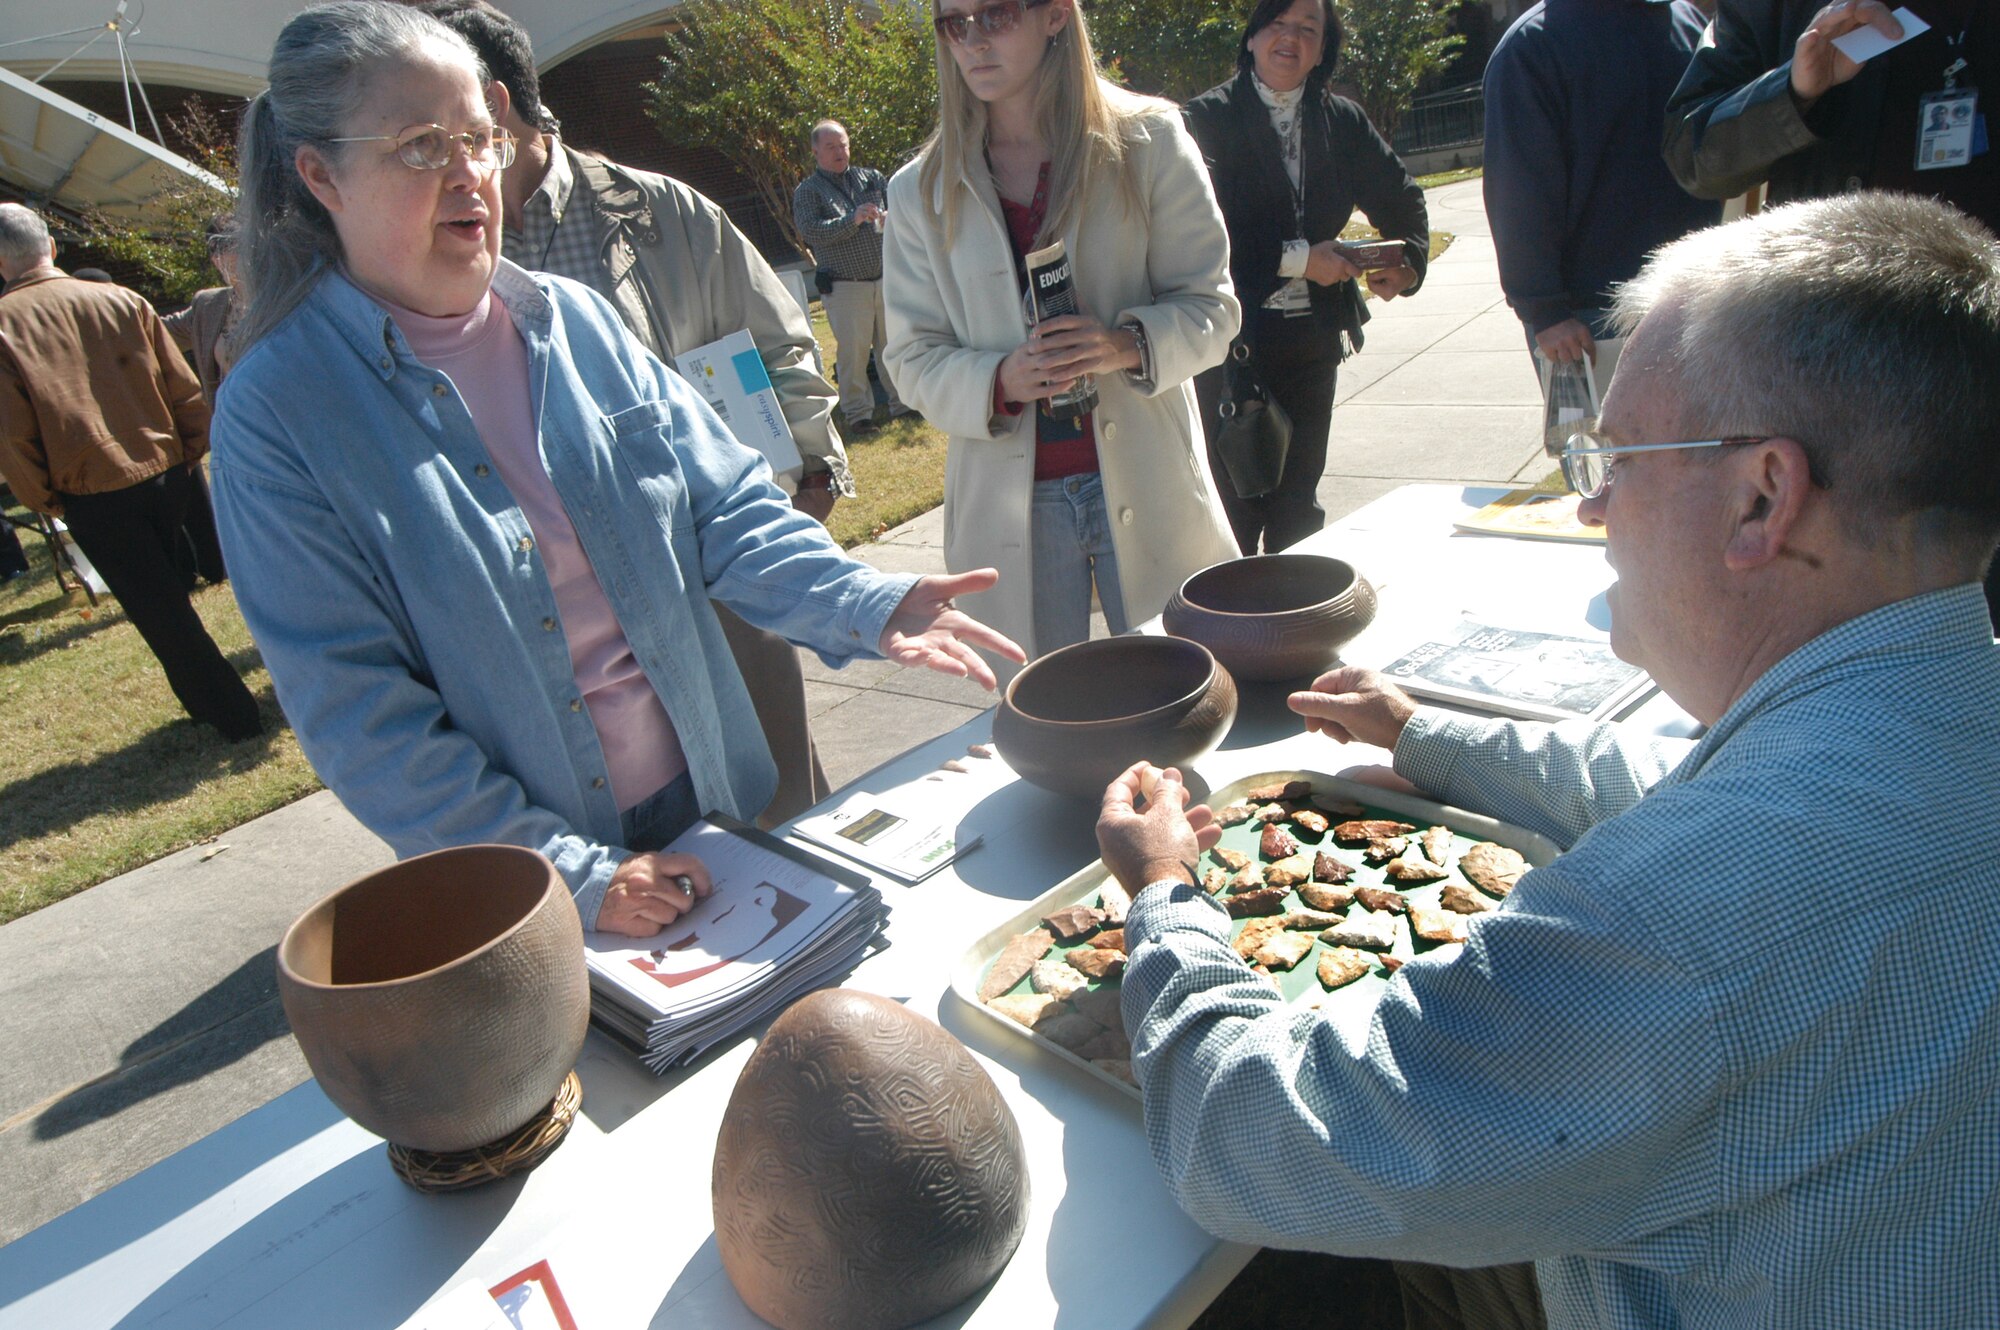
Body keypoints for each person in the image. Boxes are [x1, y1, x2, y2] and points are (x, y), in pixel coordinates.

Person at [1097, 193, 2000, 1327]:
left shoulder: (1673, 928)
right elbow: (1685, 785)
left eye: (1616, 454)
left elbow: (1250, 1147)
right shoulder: (1931, 702)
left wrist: (1166, 900)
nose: (1588, 500)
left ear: (1762, 496)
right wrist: (1424, 733)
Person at [209, 2, 1022, 938]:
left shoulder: (573, 320)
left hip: (717, 797)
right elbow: (363, 717)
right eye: (421, 146)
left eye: (478, 137)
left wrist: (862, 601)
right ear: (320, 176)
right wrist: (574, 876)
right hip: (536, 879)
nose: (471, 174)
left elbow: (725, 509)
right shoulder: (279, 414)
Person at [423, 0, 848, 829]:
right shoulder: (438, 248)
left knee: (778, 799)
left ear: (494, 109)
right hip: (562, 604)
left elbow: (778, 340)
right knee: (643, 830)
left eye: (435, 125)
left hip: (709, 557)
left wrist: (813, 469)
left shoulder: (657, 213)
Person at [883, 0, 1242, 665]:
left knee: (1189, 695)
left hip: (1145, 474)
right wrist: (998, 380)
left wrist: (1123, 344)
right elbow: (909, 357)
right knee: (1045, 723)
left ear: (1054, 16)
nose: (972, 42)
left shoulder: (1149, 140)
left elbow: (1212, 308)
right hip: (1011, 505)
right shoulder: (921, 191)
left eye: (993, 16)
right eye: (952, 23)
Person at [1662, 0, 1999, 621]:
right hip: (1851, 364)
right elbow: (1694, 150)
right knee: (1858, 594)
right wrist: (1794, 89)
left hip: (1986, 333)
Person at [0, 203, 262, 740]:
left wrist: (45, 500)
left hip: (94, 490)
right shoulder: (121, 298)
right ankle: (232, 693)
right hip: (166, 470)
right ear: (51, 246)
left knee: (162, 613)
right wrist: (190, 453)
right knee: (185, 593)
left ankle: (232, 716)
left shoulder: (6, 326)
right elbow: (182, 387)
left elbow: (13, 436)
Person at [1183, 0, 1427, 556]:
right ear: (1251, 38)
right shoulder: (1204, 121)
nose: (1289, 38)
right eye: (1277, 24)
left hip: (1312, 343)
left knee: (1299, 506)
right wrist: (1298, 259)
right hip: (1231, 344)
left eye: (1308, 29)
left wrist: (1405, 263)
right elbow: (1194, 239)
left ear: (1322, 51)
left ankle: (1293, 627)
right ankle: (1232, 633)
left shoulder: (1339, 121)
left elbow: (1403, 199)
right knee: (1235, 506)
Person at [1481, 0, 1719, 389]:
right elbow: (1518, 191)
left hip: (1703, 297)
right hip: (1590, 321)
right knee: (1605, 449)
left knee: (1709, 447)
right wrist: (1544, 311)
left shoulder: (1686, 21)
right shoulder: (1530, 48)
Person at [794, 119, 906, 437]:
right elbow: (811, 231)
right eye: (830, 146)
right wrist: (852, 220)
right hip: (845, 285)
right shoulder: (808, 191)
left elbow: (900, 212)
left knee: (892, 346)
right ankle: (858, 415)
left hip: (885, 278)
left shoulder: (871, 178)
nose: (839, 151)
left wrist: (888, 219)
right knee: (853, 355)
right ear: (815, 151)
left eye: (842, 144)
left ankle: (903, 403)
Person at [160, 215, 238, 587]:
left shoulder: (288, 292)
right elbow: (150, 330)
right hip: (234, 438)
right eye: (217, 250)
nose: (223, 258)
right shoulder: (208, 306)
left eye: (230, 245)